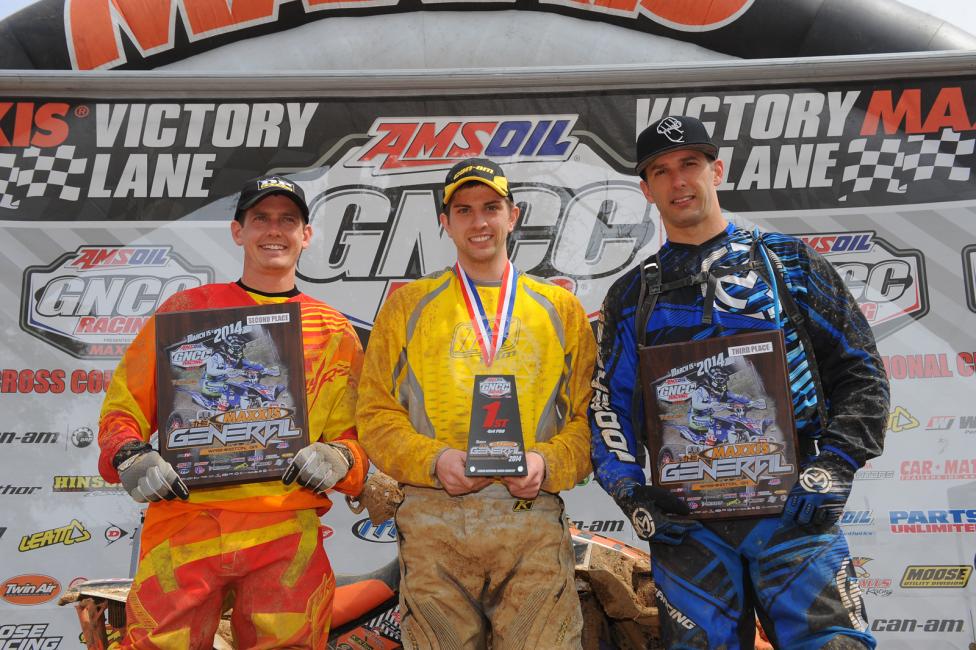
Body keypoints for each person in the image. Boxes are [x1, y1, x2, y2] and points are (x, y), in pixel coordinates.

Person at [589, 116, 889, 649]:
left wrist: (836, 464)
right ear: (646, 188)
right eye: (661, 171)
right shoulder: (632, 295)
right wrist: (633, 494)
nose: (679, 181)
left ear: (716, 170)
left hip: (794, 509)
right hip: (689, 525)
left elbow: (860, 371)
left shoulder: (790, 263)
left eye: (690, 165)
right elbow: (608, 408)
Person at [97, 175, 368, 649]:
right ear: (237, 231)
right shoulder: (184, 311)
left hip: (285, 531)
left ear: (306, 235)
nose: (274, 230)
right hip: (184, 524)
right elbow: (123, 409)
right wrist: (131, 456)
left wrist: (342, 459)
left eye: (288, 220)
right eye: (260, 218)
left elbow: (359, 434)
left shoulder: (333, 331)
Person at [356, 158, 596, 649]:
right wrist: (434, 459)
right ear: (444, 222)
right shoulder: (408, 305)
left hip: (528, 517)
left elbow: (589, 420)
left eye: (491, 207)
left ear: (514, 215)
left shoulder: (561, 308)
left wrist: (545, 462)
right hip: (433, 518)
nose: (479, 221)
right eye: (462, 210)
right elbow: (375, 413)